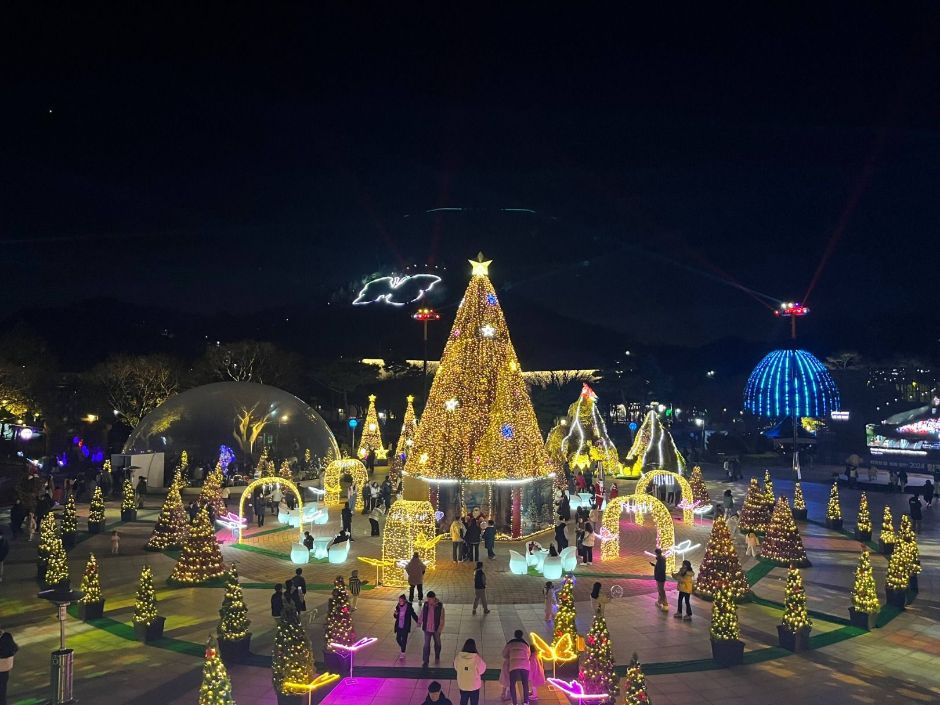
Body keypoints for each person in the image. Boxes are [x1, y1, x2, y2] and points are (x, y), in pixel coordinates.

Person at [454, 638, 486, 705]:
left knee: (463, 701)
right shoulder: (477, 659)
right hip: (474, 686)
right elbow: (482, 670)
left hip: (463, 685)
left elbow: (456, 667)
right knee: (474, 702)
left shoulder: (458, 657)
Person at [502, 629, 530, 705]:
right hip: (525, 665)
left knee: (512, 684)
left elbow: (504, 654)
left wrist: (510, 656)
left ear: (515, 635)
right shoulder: (526, 644)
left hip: (514, 665)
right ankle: (526, 702)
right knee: (525, 683)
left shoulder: (510, 643)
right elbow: (528, 654)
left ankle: (515, 703)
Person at [419, 591, 445, 668]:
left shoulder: (439, 606)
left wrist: (440, 628)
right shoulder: (426, 605)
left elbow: (442, 618)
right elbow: (422, 613)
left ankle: (437, 655)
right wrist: (419, 622)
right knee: (426, 645)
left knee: (437, 643)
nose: (429, 601)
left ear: (434, 598)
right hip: (427, 628)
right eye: (428, 599)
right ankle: (425, 661)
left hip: (436, 629)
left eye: (430, 599)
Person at [393, 594, 418, 659]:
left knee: (404, 639)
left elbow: (413, 614)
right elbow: (395, 616)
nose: (400, 602)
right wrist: (395, 614)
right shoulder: (398, 606)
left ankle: (403, 652)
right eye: (399, 601)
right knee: (398, 639)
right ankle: (403, 647)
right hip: (399, 625)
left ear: (404, 600)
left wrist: (418, 621)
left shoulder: (408, 606)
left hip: (405, 626)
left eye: (401, 601)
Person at [0, 624, 18, 705]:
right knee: (2, 689)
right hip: (4, 668)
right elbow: (15, 648)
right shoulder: (7, 636)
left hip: (3, 667)